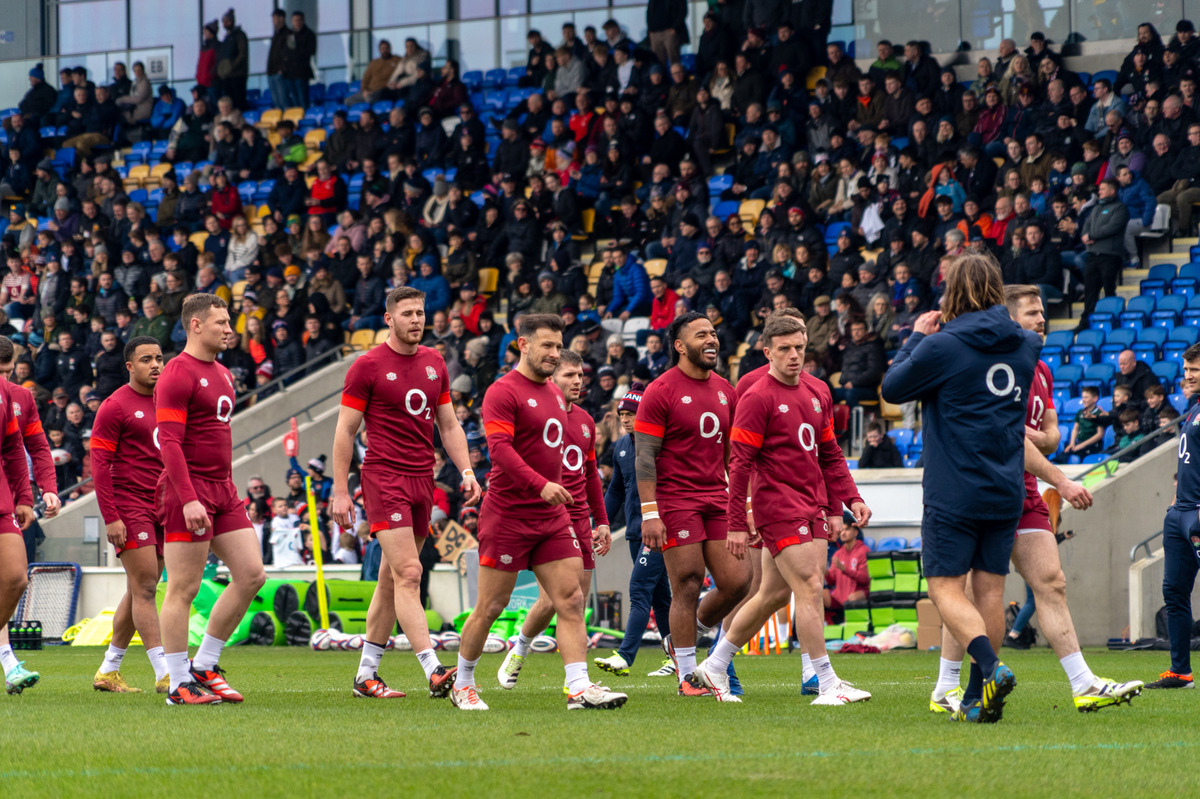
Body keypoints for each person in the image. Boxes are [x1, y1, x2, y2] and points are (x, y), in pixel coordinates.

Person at [931, 285, 1142, 714]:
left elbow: (1048, 435)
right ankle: (945, 688)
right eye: (1032, 313)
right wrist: (1061, 481)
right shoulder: (998, 366)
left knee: (1052, 582)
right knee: (967, 593)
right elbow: (1015, 441)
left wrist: (1031, 439)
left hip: (1023, 490)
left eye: (1043, 311)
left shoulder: (1040, 369)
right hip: (981, 490)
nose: (1042, 319)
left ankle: (1083, 683)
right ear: (1009, 320)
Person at [881, 252, 1041, 723]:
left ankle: (990, 667)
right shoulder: (1028, 344)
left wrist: (916, 337)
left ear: (953, 291)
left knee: (945, 588)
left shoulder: (941, 346)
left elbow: (892, 388)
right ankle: (975, 697)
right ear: (996, 289)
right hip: (1005, 486)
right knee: (990, 591)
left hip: (955, 488)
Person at [452, 314, 626, 711]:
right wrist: (540, 485)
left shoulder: (553, 393)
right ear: (522, 345)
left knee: (569, 599)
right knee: (491, 608)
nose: (554, 353)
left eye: (558, 345)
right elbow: (500, 451)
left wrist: (591, 513)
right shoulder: (502, 391)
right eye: (546, 345)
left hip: (552, 518)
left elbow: (574, 464)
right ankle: (462, 683)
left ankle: (578, 688)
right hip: (509, 514)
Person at [695, 312, 871, 704]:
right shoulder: (757, 395)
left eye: (800, 348)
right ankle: (826, 683)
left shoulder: (818, 390)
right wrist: (737, 521)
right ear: (767, 352)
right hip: (778, 505)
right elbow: (739, 463)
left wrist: (848, 499)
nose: (794, 356)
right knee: (810, 587)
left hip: (810, 502)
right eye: (786, 349)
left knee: (771, 595)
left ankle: (715, 664)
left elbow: (829, 453)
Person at [331, 286, 481, 700]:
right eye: (407, 313)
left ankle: (366, 676)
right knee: (410, 573)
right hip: (384, 479)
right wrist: (340, 491)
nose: (416, 319)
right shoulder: (367, 366)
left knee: (390, 579)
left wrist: (466, 470)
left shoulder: (435, 362)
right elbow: (346, 430)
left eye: (420, 312)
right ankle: (433, 669)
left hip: (422, 481)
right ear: (388, 319)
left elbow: (448, 425)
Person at [155, 294, 267, 705]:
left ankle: (205, 664)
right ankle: (178, 682)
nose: (228, 328)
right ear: (196, 325)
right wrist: (187, 498)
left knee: (252, 573)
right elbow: (169, 442)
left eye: (229, 321)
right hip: (190, 488)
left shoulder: (223, 373)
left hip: (223, 488)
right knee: (182, 588)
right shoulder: (176, 373)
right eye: (220, 322)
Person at [635, 312, 750, 696]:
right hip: (674, 499)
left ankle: (691, 630)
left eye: (714, 333)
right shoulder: (660, 390)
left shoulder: (725, 390)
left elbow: (734, 453)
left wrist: (744, 501)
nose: (711, 339)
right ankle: (687, 676)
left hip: (717, 497)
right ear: (680, 346)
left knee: (739, 581)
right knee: (686, 582)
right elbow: (645, 457)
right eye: (701, 335)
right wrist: (650, 513)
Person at [497, 350, 612, 690]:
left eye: (580, 376)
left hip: (578, 516)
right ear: (550, 378)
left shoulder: (587, 422)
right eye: (569, 376)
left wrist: (601, 519)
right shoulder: (533, 414)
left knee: (575, 600)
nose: (577, 381)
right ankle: (520, 648)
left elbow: (590, 474)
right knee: (555, 599)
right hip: (540, 513)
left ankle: (575, 681)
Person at [89, 336, 171, 694]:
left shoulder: (169, 400)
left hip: (163, 505)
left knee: (138, 589)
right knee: (147, 586)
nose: (155, 365)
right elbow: (99, 466)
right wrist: (111, 517)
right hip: (129, 505)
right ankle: (165, 672)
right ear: (130, 366)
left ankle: (108, 670)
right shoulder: (114, 406)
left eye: (159, 358)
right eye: (146, 360)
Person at [593, 385, 676, 678]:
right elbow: (616, 489)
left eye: (632, 413)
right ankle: (679, 659)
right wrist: (601, 520)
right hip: (633, 531)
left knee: (639, 589)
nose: (626, 419)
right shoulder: (622, 446)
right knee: (660, 598)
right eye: (623, 414)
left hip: (656, 531)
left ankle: (626, 655)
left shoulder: (660, 445)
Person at [1150, 342, 1200, 690]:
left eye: (1194, 369)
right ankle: (1180, 671)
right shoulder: (1194, 407)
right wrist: (1175, 502)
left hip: (1197, 512)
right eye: (1185, 370)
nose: (1188, 376)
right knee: (1174, 592)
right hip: (1180, 513)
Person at [0, 371, 35, 695]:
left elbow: (13, 448)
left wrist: (25, 497)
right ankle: (8, 661)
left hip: (1, 500)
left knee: (15, 578)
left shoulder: (6, 392)